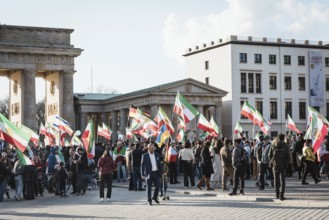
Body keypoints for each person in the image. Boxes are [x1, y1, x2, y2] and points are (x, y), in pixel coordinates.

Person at [268, 134, 291, 200]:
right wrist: (286, 163)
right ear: (283, 138)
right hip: (283, 165)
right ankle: (281, 195)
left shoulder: (273, 144)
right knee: (282, 180)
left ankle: (277, 194)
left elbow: (269, 155)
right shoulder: (285, 145)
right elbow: (288, 157)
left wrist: (273, 161)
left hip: (275, 165)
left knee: (276, 179)